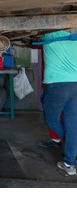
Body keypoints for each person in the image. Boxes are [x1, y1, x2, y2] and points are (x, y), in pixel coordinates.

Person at [41, 30, 77, 176]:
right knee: (72, 124)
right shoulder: (75, 38)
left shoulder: (48, 35)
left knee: (50, 119)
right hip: (75, 83)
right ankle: (69, 163)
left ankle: (72, 147)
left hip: (57, 83)